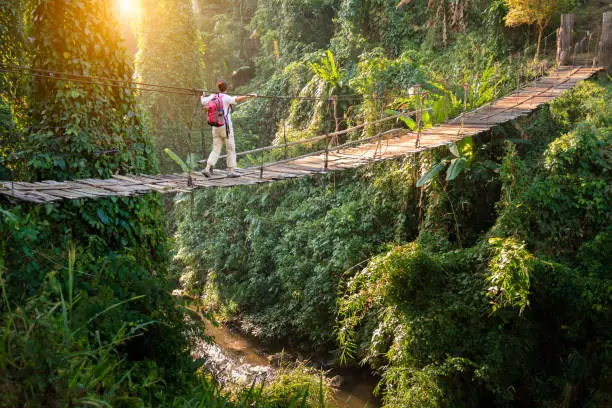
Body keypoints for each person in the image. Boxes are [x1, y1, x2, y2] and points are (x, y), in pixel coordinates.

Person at [201, 80, 257, 178]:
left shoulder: (213, 96)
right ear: (226, 89)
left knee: (216, 149)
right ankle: (230, 171)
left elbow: (203, 101)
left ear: (218, 88)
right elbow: (236, 99)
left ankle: (207, 168)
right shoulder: (226, 97)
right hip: (225, 127)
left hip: (215, 127)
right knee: (230, 148)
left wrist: (202, 95)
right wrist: (249, 96)